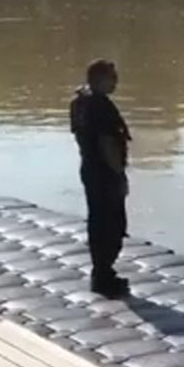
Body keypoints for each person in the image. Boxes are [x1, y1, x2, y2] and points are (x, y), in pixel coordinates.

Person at [70, 59, 131, 297]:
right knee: (112, 224)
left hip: (89, 168)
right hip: (106, 172)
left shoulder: (79, 103)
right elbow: (107, 144)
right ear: (99, 79)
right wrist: (119, 175)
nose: (116, 82)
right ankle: (103, 274)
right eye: (112, 78)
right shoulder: (100, 106)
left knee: (97, 221)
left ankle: (102, 271)